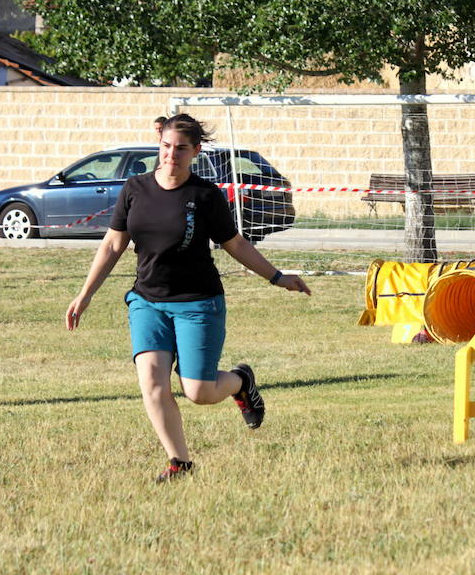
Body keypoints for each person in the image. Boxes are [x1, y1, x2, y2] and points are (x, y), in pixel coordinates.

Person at [65, 114, 311, 483]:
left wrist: (277, 277)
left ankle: (241, 382)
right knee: (152, 383)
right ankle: (179, 462)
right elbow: (113, 244)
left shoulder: (205, 195)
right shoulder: (135, 188)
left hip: (198, 302)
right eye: (166, 147)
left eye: (181, 149)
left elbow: (235, 244)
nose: (171, 155)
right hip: (147, 301)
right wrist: (85, 296)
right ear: (158, 146)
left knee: (198, 391)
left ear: (195, 151)